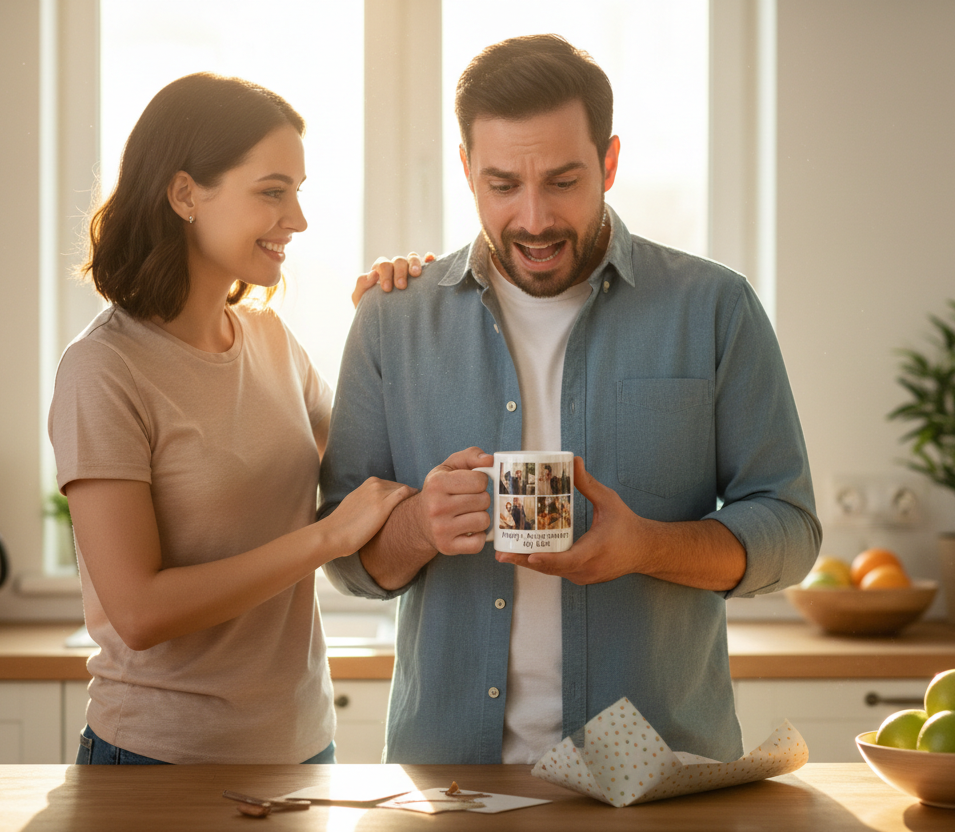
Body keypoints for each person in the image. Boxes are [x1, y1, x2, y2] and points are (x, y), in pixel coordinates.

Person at [321, 35, 821, 765]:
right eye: (502, 185)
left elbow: (790, 530)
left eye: (563, 181)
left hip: (658, 777)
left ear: (610, 163)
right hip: (453, 783)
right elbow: (345, 553)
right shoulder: (394, 320)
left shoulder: (713, 308)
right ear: (465, 170)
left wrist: (647, 546)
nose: (533, 219)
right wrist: (419, 528)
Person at [48, 72, 416, 766]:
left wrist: (398, 325)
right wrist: (325, 537)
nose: (299, 219)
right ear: (185, 193)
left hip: (304, 750)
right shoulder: (104, 370)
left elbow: (385, 471)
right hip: (158, 764)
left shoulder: (271, 340)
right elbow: (140, 611)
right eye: (272, 192)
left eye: (299, 192)